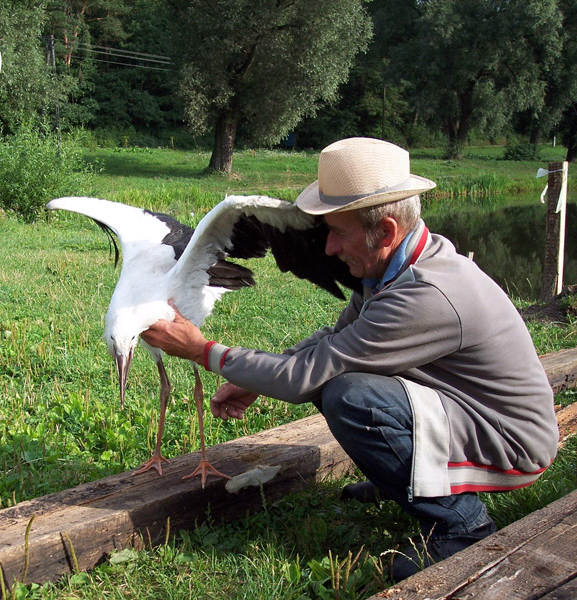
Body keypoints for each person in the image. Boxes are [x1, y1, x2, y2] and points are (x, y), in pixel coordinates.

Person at [140, 137, 559, 580]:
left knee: (349, 395)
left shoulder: (426, 295)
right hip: (469, 412)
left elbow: (308, 377)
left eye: (337, 232)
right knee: (340, 378)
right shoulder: (399, 266)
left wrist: (203, 351)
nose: (328, 248)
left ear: (387, 231)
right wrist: (252, 377)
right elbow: (336, 340)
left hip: (511, 444)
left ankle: (463, 525)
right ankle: (407, 481)